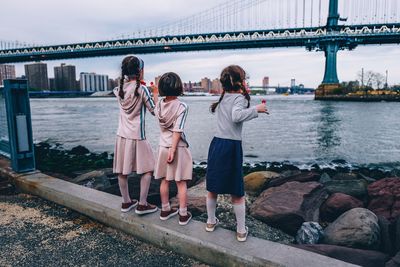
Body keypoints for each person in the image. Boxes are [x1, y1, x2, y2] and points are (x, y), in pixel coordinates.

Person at [205, 65, 268, 241]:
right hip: (231, 147)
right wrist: (257, 109)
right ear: (239, 81)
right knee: (237, 191)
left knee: (213, 188)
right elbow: (236, 116)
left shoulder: (223, 97)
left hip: (217, 145)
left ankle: (210, 222)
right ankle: (241, 230)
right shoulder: (239, 98)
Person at [113, 55, 158, 215]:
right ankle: (142, 204)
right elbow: (155, 111)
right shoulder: (142, 89)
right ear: (140, 71)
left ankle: (126, 202)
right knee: (148, 169)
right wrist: (156, 93)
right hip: (137, 136)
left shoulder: (118, 90)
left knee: (122, 171)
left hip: (121, 136)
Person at [153, 72, 193, 225]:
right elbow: (178, 129)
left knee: (165, 180)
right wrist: (174, 149)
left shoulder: (159, 105)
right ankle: (183, 215)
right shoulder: (182, 106)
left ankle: (165, 210)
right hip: (177, 148)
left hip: (162, 147)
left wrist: (155, 94)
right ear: (178, 86)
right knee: (181, 182)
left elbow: (156, 106)